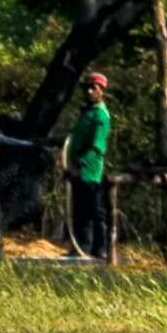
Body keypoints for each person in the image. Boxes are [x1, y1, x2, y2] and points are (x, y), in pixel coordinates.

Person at [69, 71, 117, 264]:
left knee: (95, 211)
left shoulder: (101, 115)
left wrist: (80, 165)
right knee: (80, 211)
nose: (89, 91)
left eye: (93, 88)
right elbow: (73, 138)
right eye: (86, 88)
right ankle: (82, 247)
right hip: (77, 168)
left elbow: (97, 147)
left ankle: (101, 249)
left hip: (90, 170)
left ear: (102, 91)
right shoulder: (86, 113)